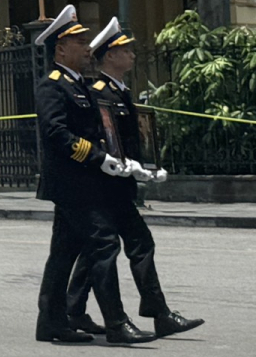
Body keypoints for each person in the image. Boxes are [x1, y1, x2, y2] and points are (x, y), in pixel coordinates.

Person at [67, 19, 203, 340]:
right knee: (120, 246)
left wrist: (144, 166)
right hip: (103, 185)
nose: (132, 55)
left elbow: (128, 141)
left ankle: (78, 309)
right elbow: (101, 140)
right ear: (109, 56)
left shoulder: (120, 93)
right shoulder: (99, 93)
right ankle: (152, 314)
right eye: (124, 50)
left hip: (119, 183)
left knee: (107, 249)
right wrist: (120, 166)